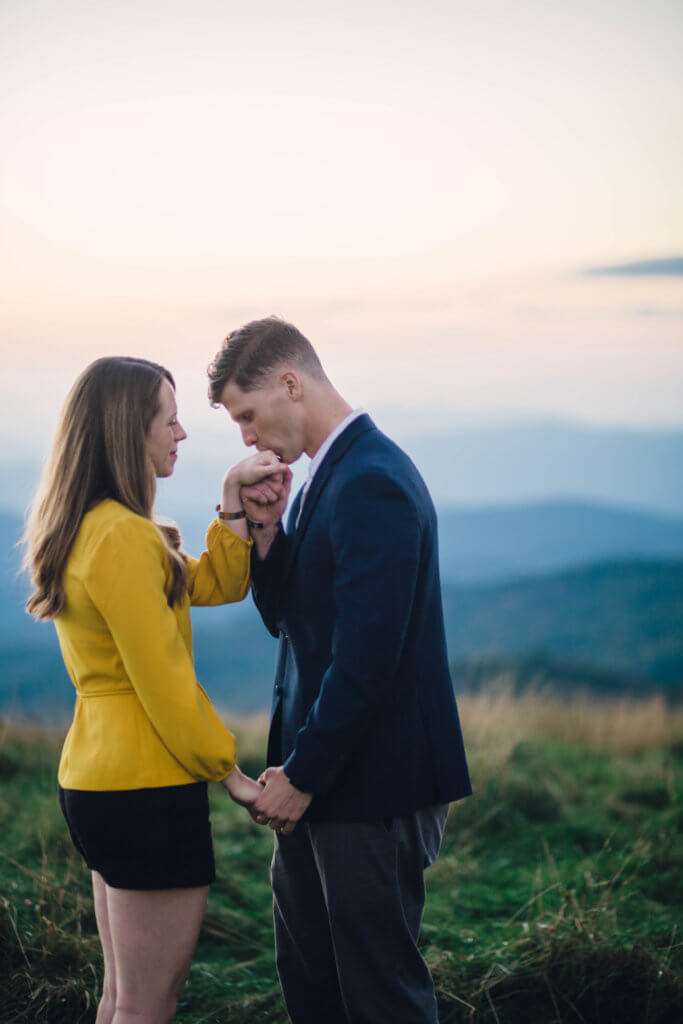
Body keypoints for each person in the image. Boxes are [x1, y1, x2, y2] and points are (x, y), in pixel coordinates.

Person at [208, 317, 472, 1024]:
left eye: (247, 415)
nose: (247, 439)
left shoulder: (371, 480)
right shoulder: (325, 478)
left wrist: (302, 777)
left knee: (379, 993)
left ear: (291, 383)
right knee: (314, 982)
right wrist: (263, 527)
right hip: (321, 777)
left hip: (370, 788)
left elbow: (367, 661)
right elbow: (288, 621)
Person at [23, 356, 286, 1024]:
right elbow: (163, 680)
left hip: (100, 779)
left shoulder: (101, 528)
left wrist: (233, 503)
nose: (181, 433)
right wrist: (228, 772)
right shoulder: (122, 537)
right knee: (146, 1004)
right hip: (142, 789)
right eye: (169, 418)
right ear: (128, 429)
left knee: (122, 1000)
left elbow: (214, 585)